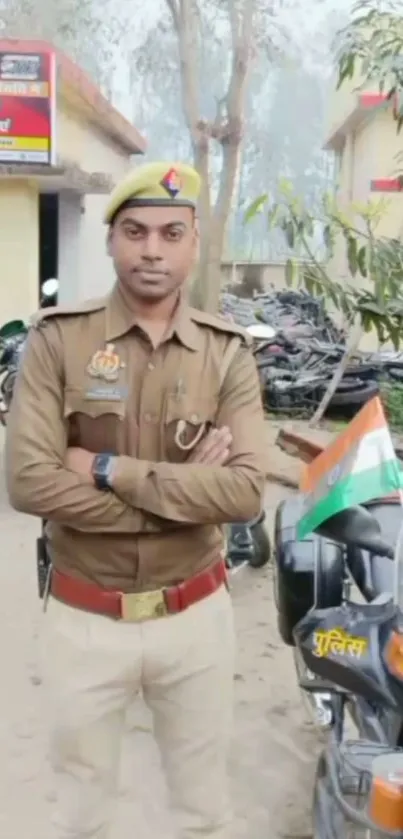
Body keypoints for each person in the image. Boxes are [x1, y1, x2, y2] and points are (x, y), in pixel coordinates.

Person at [5, 160, 266, 839]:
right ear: (111, 240)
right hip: (83, 617)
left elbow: (242, 493)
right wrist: (186, 494)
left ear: (193, 244)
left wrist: (105, 467)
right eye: (136, 231)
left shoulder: (226, 353)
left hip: (196, 619)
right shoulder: (58, 340)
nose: (152, 248)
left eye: (171, 232)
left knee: (202, 811)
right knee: (82, 812)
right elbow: (29, 482)